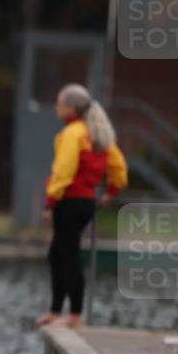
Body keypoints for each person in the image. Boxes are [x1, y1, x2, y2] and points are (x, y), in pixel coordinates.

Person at [36, 84, 127, 329]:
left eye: (59, 103)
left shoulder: (73, 134)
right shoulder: (98, 132)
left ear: (72, 108)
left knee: (68, 256)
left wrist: (50, 202)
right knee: (57, 254)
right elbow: (118, 167)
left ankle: (74, 315)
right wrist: (111, 191)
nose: (56, 107)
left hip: (69, 202)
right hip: (86, 203)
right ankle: (55, 311)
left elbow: (63, 172)